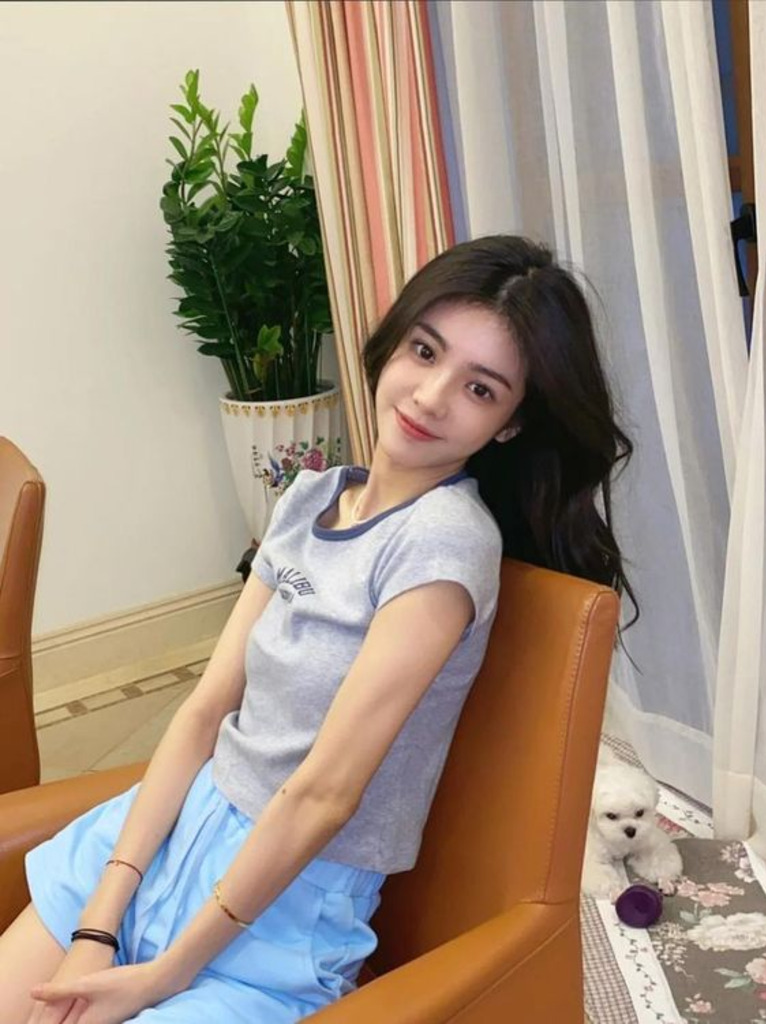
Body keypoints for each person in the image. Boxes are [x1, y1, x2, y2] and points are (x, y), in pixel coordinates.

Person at [0, 235, 636, 1024]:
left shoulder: (442, 543)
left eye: (480, 388)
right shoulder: (311, 497)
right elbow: (205, 712)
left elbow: (323, 796)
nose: (430, 396)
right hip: (165, 832)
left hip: (277, 916)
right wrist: (99, 923)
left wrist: (165, 974)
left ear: (510, 424)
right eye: (424, 350)